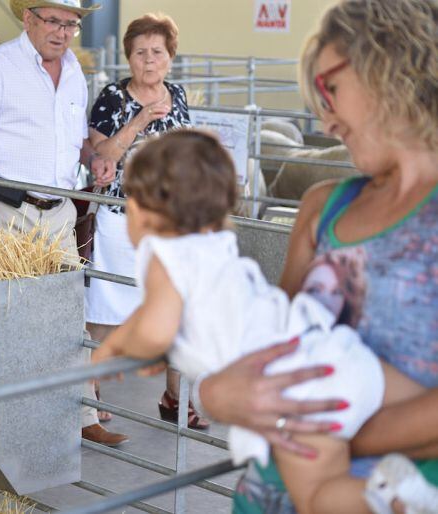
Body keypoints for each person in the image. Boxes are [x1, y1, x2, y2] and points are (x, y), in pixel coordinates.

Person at [91, 130, 438, 513]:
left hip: (290, 388)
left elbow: (155, 327)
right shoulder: (217, 246)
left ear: (139, 212)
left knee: (317, 495)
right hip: (330, 350)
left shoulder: (163, 254)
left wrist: (116, 348)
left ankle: (392, 498)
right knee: (413, 394)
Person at [179, 1, 438, 512]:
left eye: (330, 89)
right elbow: (267, 346)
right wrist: (213, 395)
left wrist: (315, 432)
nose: (324, 117)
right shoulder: (324, 206)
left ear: (390, 63)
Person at [0, 0, 127, 447]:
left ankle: (83, 418)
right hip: (6, 210)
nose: (63, 32)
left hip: (58, 213)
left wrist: (94, 161)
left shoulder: (74, 75)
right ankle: (6, 420)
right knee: (9, 318)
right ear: (28, 19)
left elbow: (75, 142)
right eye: (54, 21)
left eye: (71, 24)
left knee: (68, 313)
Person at [82, 13, 202, 428]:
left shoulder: (180, 94)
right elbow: (103, 157)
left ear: (170, 56)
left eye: (157, 52)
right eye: (140, 53)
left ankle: (175, 397)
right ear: (128, 58)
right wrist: (140, 120)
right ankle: (89, 392)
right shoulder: (112, 98)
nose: (149, 61)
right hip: (122, 219)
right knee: (104, 307)